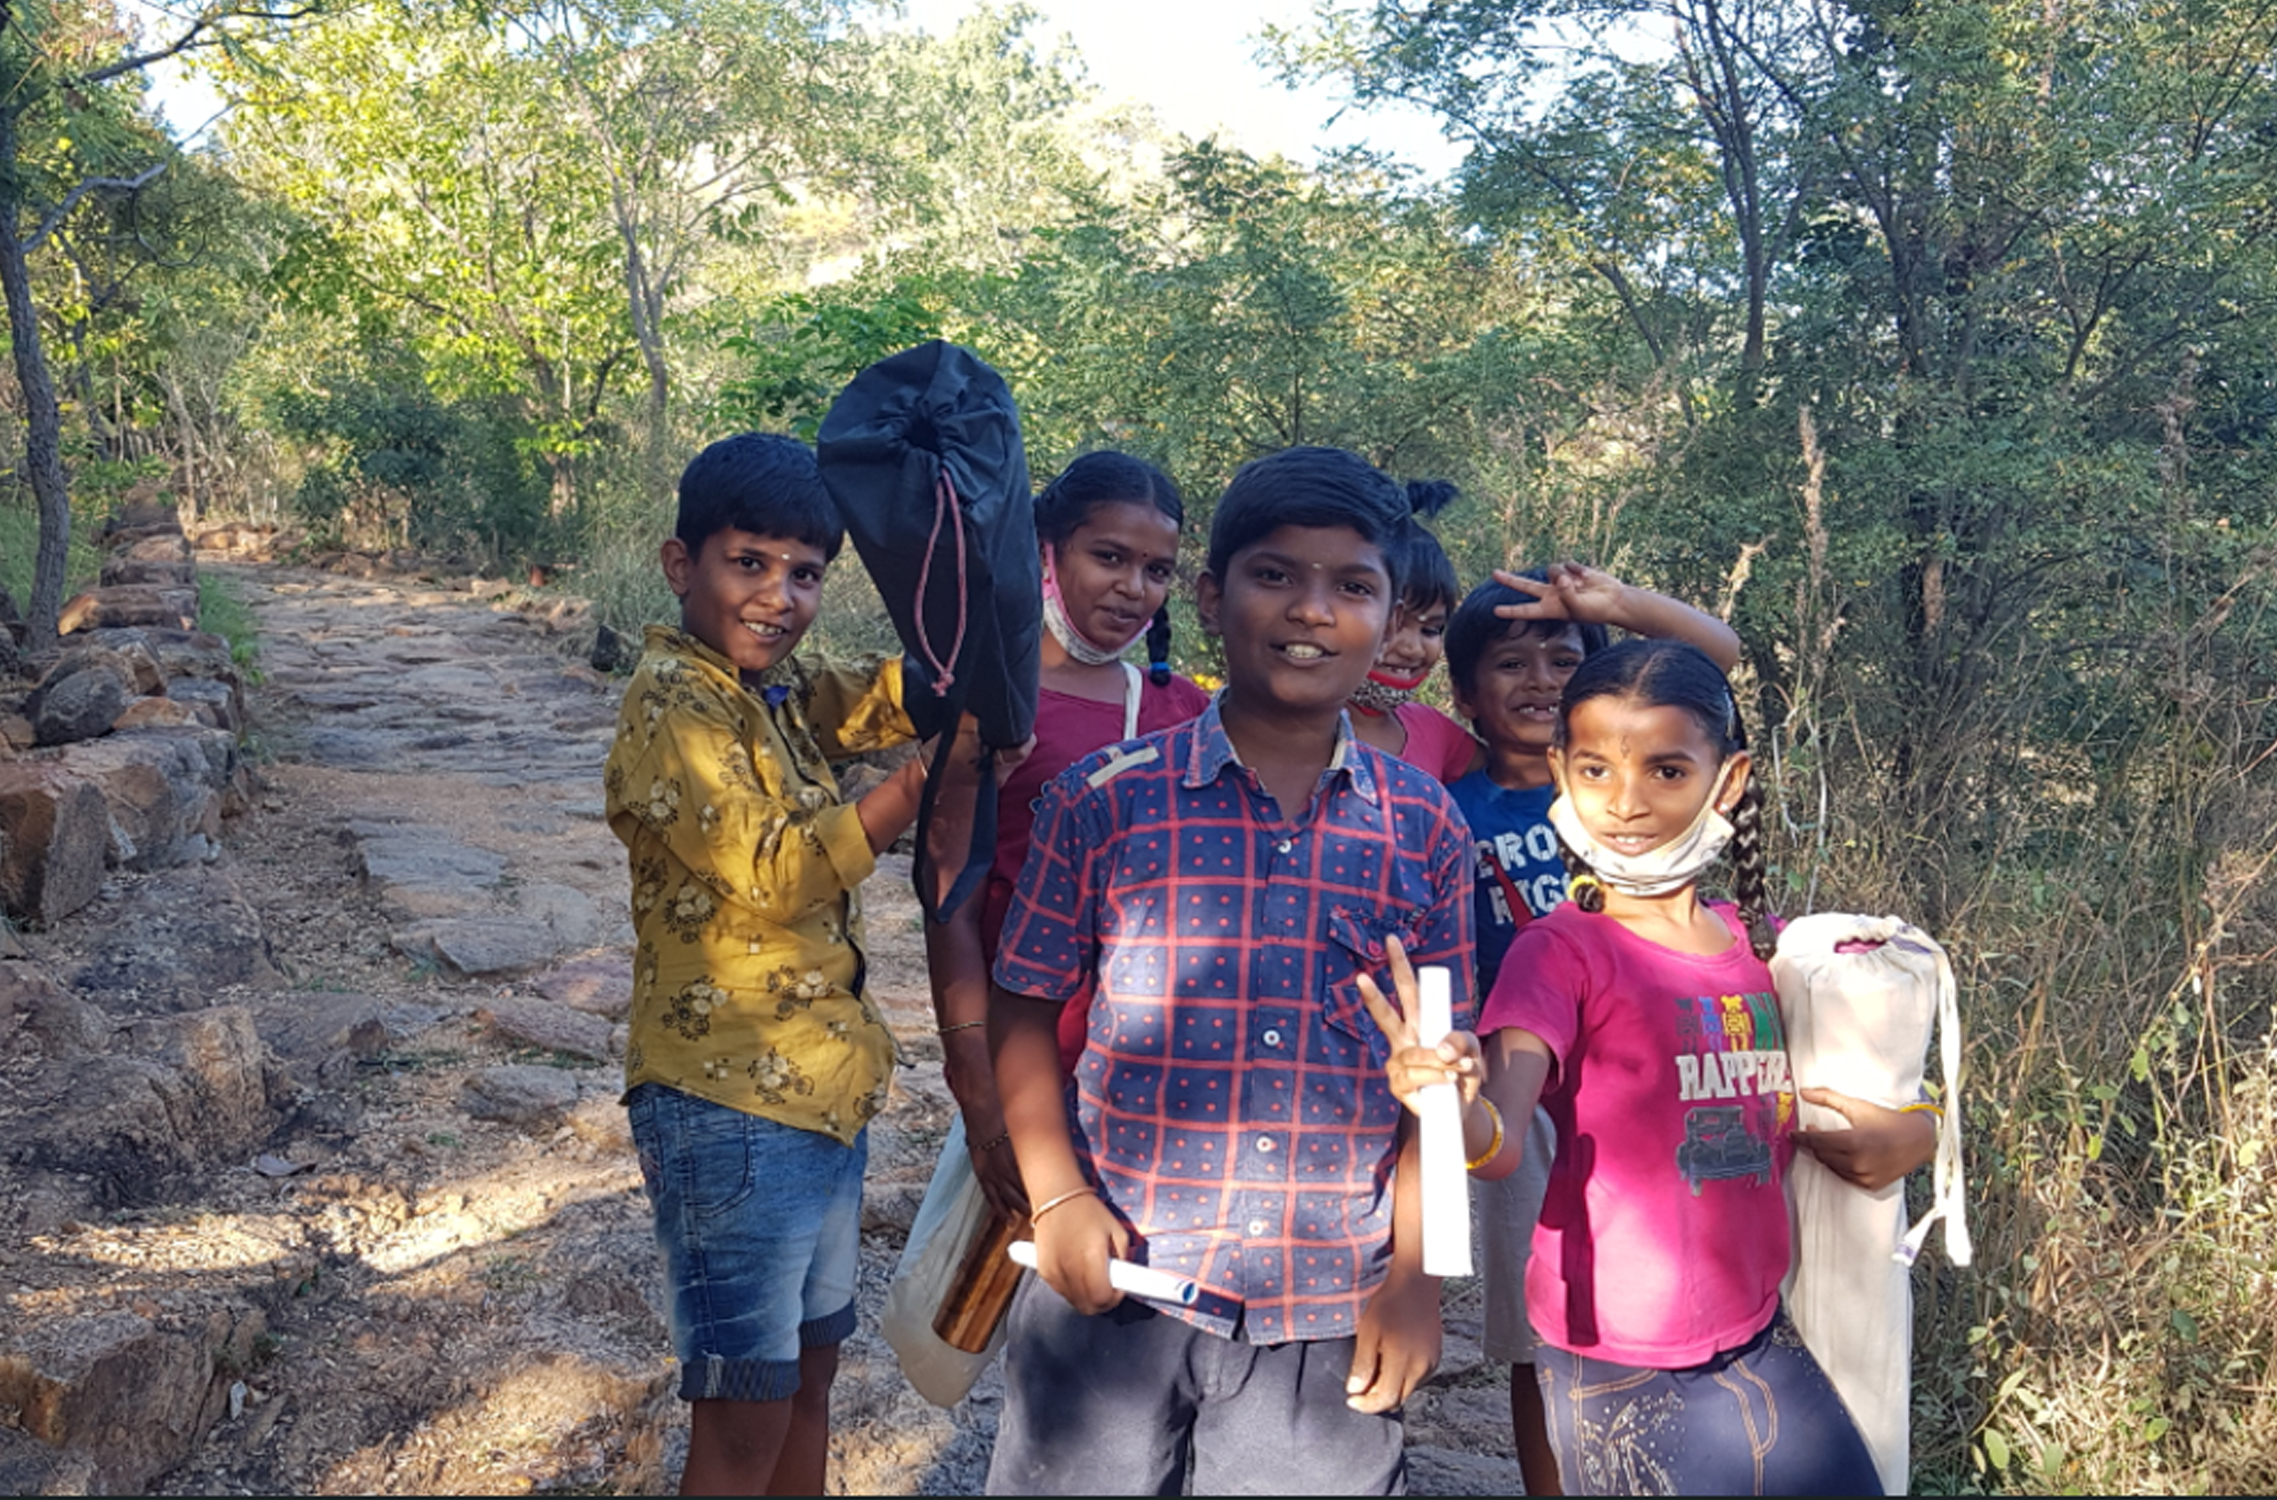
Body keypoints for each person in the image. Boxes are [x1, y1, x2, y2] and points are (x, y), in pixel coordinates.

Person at [985, 446, 1475, 1495]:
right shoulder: (1102, 800)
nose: (1311, 611)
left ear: (1390, 617)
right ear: (1212, 598)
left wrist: (1417, 1277)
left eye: (1352, 587)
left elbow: (1435, 1082)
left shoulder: (1427, 828)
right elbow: (1021, 1004)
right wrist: (1057, 1192)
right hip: (1118, 1284)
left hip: (1327, 1311)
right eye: (1274, 575)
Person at [1365, 638, 1928, 1495]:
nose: (1624, 803)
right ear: (1559, 771)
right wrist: (1449, 1099)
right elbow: (1501, 1143)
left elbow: (1817, 1103)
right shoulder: (1557, 953)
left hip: (1759, 1332)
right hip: (1622, 1364)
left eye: (1666, 771)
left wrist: (1918, 1129)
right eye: (1594, 770)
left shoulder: (1755, 944)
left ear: (1726, 781)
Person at [606, 433, 942, 1496]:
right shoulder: (677, 702)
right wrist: (915, 786)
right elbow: (777, 871)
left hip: (816, 1099)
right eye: (748, 563)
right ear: (681, 564)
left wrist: (967, 664)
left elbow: (866, 699)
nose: (778, 596)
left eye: (804, 574)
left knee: (809, 1373)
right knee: (744, 1415)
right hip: (727, 1106)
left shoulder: (770, 698)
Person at [1438, 562, 1744, 1493]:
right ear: (1464, 695)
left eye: (1562, 660)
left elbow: (1715, 660)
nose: (1538, 681)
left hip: (1647, 1076)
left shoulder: (1628, 791)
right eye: (1509, 665)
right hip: (1523, 1091)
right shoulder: (1449, 808)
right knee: (1546, 1329)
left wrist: (1613, 609)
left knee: (1663, 1289)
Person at [926, 451, 1211, 1217]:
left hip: (1152, 1075)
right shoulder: (992, 705)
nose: (1133, 587)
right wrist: (976, 1083)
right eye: (1108, 557)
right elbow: (949, 893)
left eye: (1156, 569)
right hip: (1029, 1069)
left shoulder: (1185, 710)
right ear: (1046, 549)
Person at [1346, 481, 1480, 783]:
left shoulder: (1436, 733)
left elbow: (1518, 777)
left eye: (1431, 629)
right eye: (1391, 624)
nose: (1411, 648)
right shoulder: (1286, 724)